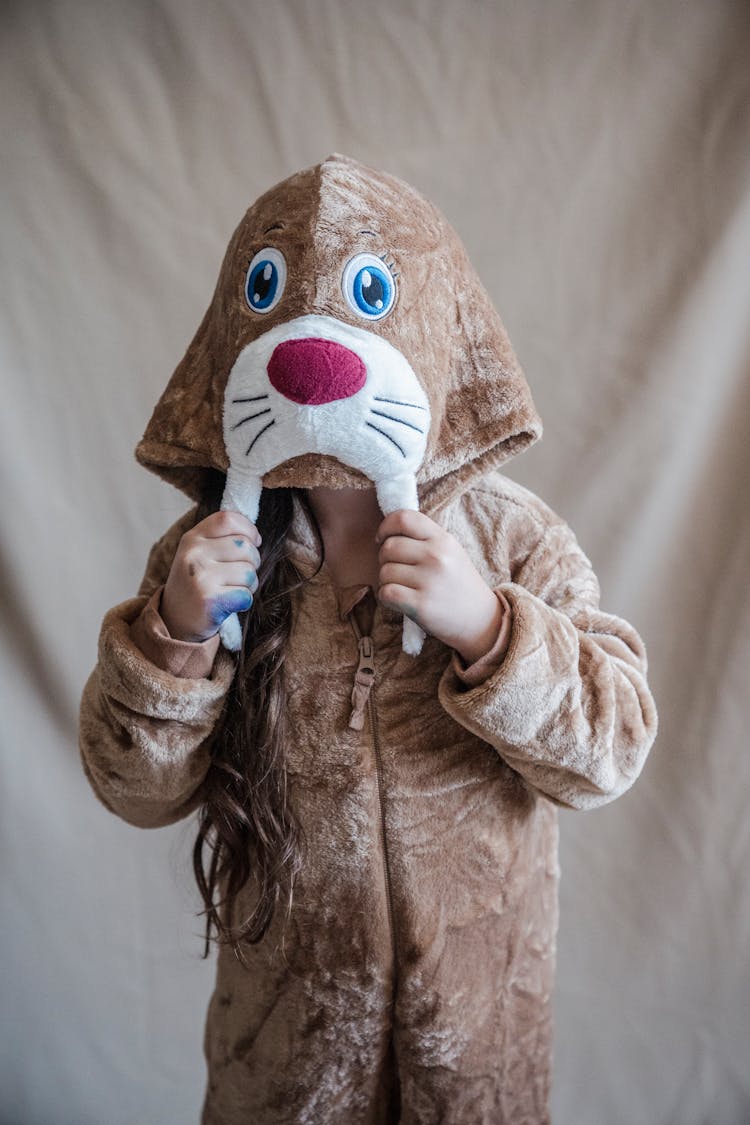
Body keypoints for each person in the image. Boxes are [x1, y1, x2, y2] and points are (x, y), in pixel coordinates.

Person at [79, 155, 658, 1125]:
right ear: (233, 339)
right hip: (283, 1075)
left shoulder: (512, 543)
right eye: (270, 297)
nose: (316, 352)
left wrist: (487, 625)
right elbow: (132, 789)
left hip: (479, 1070)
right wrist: (172, 637)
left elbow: (616, 747)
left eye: (368, 298)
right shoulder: (207, 560)